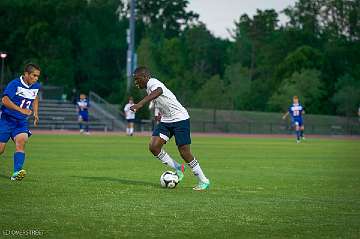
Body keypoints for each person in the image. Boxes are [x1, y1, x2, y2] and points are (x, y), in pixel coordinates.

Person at [130, 66, 210, 191]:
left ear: (145, 77)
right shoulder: (148, 87)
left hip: (180, 119)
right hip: (166, 120)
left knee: (184, 152)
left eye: (137, 79)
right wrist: (157, 115)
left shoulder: (152, 82)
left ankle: (203, 180)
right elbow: (158, 100)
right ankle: (179, 168)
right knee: (154, 147)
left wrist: (140, 104)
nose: (135, 82)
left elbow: (159, 91)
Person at [0, 63, 41, 180]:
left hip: (21, 122)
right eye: (34, 75)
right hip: (6, 120)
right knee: (1, 149)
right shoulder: (15, 84)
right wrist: (20, 110)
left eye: (38, 76)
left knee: (21, 142)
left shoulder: (35, 86)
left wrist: (36, 113)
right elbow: (5, 99)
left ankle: (16, 173)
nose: (36, 78)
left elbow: (35, 97)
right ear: (26, 74)